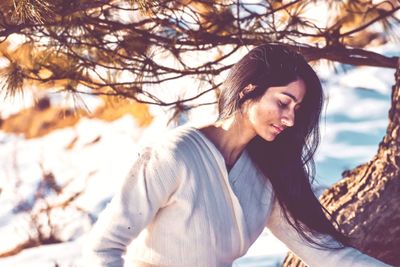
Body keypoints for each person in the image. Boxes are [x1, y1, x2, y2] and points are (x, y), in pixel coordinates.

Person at [82, 44, 393, 267]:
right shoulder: (173, 156)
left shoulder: (264, 177)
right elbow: (103, 248)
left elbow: (325, 253)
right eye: (283, 103)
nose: (291, 119)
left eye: (297, 110)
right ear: (248, 89)